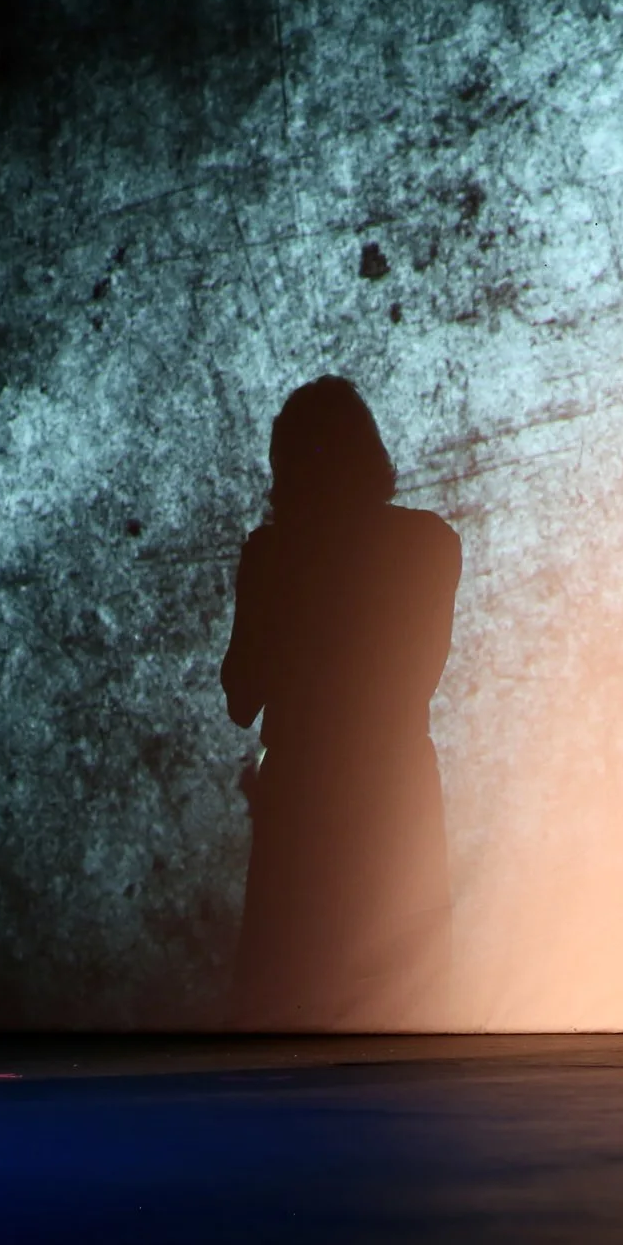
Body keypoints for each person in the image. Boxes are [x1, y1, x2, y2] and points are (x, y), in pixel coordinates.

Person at [220, 377, 460, 1029]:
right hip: (395, 792)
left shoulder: (271, 555)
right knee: (406, 1003)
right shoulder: (430, 544)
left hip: (305, 802)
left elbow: (241, 696)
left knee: (291, 1002)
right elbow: (416, 676)